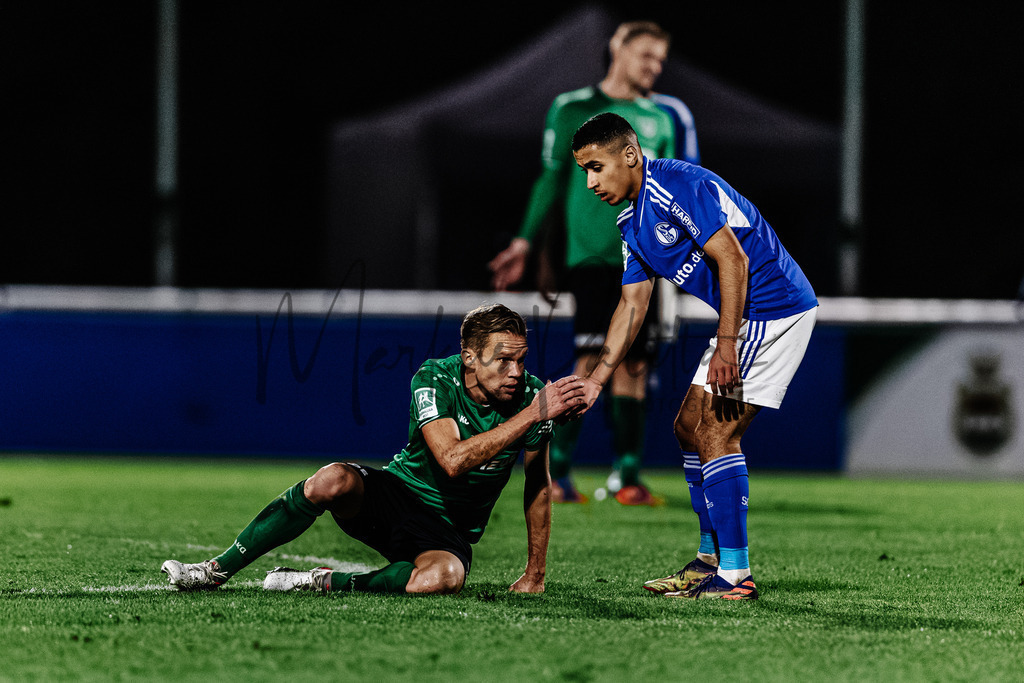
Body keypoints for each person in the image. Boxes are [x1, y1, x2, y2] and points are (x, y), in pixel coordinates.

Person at [161, 304, 586, 595]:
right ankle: (216, 570)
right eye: (504, 360)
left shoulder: (530, 397)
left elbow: (537, 484)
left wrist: (535, 573)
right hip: (396, 496)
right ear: (469, 358)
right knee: (331, 479)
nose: (516, 372)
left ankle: (320, 581)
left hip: (448, 531)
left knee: (443, 578)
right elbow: (452, 461)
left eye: (521, 360)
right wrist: (531, 416)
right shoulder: (435, 378)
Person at [569, 113, 818, 600]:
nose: (590, 182)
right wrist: (597, 378)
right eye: (584, 171)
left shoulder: (676, 185)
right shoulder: (632, 222)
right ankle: (708, 561)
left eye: (596, 167)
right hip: (744, 318)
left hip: (773, 310)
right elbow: (632, 304)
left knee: (716, 433)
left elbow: (734, 259)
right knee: (688, 427)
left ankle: (736, 575)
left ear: (629, 155)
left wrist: (727, 345)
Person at [489, 21, 689, 507]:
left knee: (634, 364)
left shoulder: (662, 119)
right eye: (646, 56)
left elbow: (673, 188)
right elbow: (551, 179)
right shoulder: (571, 108)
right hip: (593, 255)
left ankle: (627, 478)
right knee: (591, 358)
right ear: (618, 49)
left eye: (660, 59)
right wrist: (526, 243)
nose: (654, 67)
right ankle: (556, 475)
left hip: (646, 256)